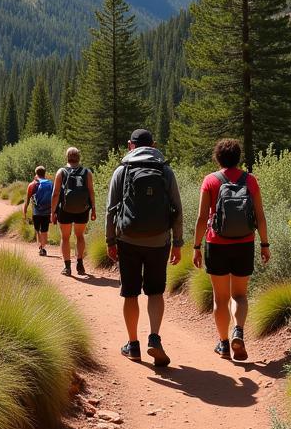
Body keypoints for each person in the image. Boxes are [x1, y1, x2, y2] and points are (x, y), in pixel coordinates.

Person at [106, 128, 183, 367]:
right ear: (154, 144)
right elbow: (177, 210)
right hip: (159, 241)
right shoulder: (165, 171)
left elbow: (111, 210)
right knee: (155, 291)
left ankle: (133, 345)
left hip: (128, 240)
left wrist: (110, 241)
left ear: (131, 145)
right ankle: (154, 338)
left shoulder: (122, 170)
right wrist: (178, 243)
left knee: (130, 293)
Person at [192, 138, 270, 361]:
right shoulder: (250, 180)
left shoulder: (210, 181)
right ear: (238, 158)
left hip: (216, 244)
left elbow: (200, 218)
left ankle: (224, 344)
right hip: (244, 243)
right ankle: (239, 331)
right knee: (240, 294)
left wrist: (196, 246)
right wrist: (264, 244)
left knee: (221, 298)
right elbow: (260, 217)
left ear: (218, 158)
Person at [52, 147, 96, 276]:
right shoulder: (86, 172)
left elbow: (55, 194)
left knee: (65, 237)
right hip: (82, 209)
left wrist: (52, 211)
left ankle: (67, 267)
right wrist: (93, 209)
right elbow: (91, 191)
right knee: (80, 236)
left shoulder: (61, 172)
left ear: (67, 157)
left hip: (64, 209)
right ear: (79, 158)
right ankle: (80, 263)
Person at [22, 165, 54, 257]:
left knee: (37, 230)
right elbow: (54, 198)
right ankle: (43, 247)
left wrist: (24, 212)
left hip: (36, 212)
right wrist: (54, 211)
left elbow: (27, 200)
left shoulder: (32, 185)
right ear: (45, 173)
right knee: (44, 230)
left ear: (36, 173)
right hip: (47, 211)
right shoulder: (50, 184)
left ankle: (41, 247)